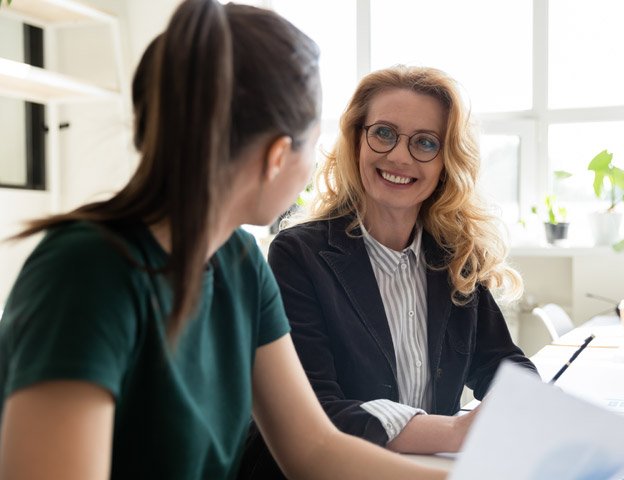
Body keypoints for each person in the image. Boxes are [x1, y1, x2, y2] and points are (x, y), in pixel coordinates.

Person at [0, 2, 446, 479]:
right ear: (278, 156)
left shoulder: (239, 262)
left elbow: (314, 448)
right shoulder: (86, 271)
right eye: (311, 144)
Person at [241, 65, 537, 469]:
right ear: (356, 140)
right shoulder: (298, 255)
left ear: (446, 161)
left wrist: (508, 408)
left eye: (425, 142)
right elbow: (316, 413)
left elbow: (503, 362)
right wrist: (456, 432)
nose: (399, 156)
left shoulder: (454, 256)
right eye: (383, 133)